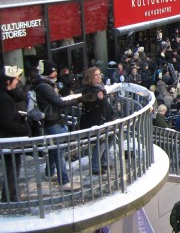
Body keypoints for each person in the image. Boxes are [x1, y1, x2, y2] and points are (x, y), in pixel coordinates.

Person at [30, 60, 91, 191]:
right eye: (53, 71)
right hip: (53, 122)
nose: (56, 73)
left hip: (51, 121)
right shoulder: (45, 87)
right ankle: (64, 181)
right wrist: (79, 99)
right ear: (47, 73)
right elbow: (60, 103)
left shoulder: (41, 85)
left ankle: (49, 172)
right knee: (59, 150)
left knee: (54, 149)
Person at [0, 65, 30, 202]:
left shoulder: (6, 95)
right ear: (8, 82)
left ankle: (10, 195)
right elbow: (6, 122)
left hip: (10, 140)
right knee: (11, 169)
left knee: (12, 169)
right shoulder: (4, 99)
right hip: (9, 140)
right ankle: (10, 197)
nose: (18, 82)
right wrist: (23, 128)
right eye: (16, 80)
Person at [80, 67, 113, 176]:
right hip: (94, 120)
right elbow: (91, 105)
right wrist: (100, 99)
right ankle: (95, 167)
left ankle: (103, 162)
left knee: (108, 139)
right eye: (96, 75)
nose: (99, 76)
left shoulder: (100, 87)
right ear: (90, 77)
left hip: (104, 119)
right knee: (101, 142)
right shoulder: (88, 90)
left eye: (100, 74)